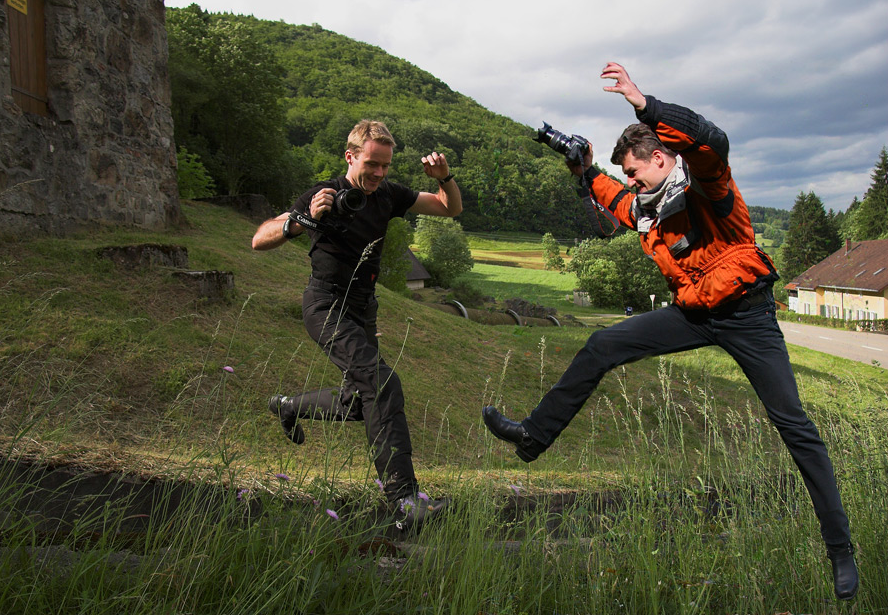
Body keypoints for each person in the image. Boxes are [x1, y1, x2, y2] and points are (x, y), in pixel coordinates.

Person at [482, 63, 858, 600]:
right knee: (602, 344)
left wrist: (646, 105)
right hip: (694, 312)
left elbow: (711, 142)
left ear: (660, 157)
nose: (631, 183)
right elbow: (614, 197)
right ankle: (533, 435)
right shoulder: (647, 207)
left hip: (748, 316)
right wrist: (585, 169)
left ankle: (839, 549)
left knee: (792, 424)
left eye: (636, 171)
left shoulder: (710, 189)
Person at [252, 119, 461, 528]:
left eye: (386, 166)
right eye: (372, 164)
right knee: (382, 384)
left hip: (363, 310)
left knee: (358, 403)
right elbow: (259, 238)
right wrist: (301, 221)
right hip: (325, 304)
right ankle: (405, 502)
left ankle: (288, 405)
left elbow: (448, 207)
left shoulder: (388, 195)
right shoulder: (324, 194)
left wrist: (445, 178)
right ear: (351, 156)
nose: (379, 174)